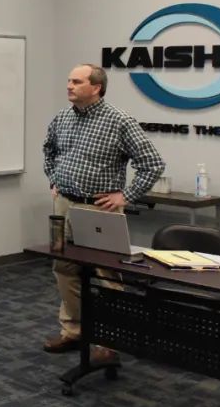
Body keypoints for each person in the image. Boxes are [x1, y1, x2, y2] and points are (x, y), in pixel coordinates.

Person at [42, 63, 164, 358]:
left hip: (99, 209)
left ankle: (110, 342)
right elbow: (49, 150)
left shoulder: (119, 121)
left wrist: (126, 196)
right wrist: (54, 179)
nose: (69, 86)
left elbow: (152, 164)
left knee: (108, 274)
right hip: (64, 204)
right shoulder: (62, 117)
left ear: (96, 87)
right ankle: (74, 331)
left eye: (77, 81)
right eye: (69, 80)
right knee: (63, 268)